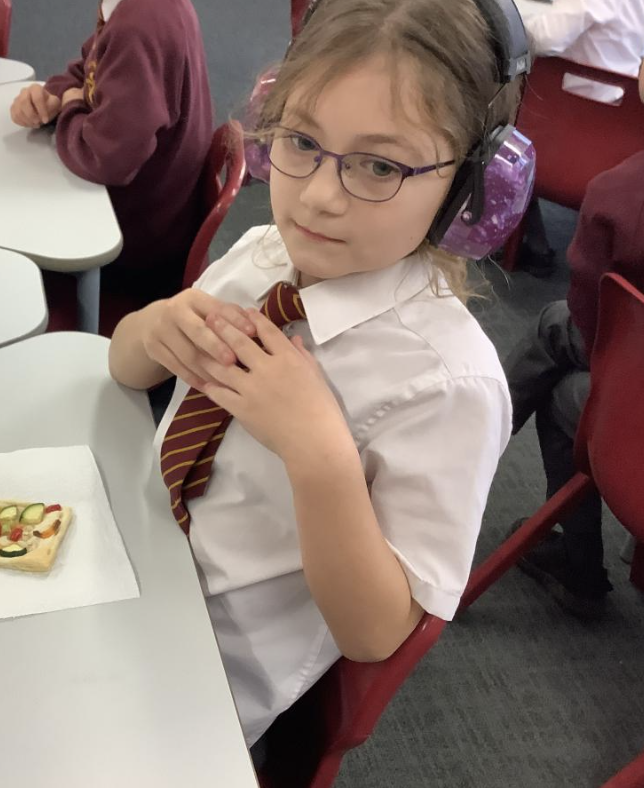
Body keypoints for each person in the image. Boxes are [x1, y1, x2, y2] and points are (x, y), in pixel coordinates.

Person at [108, 0, 518, 749]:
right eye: (301, 141)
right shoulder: (262, 254)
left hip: (198, 677)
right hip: (129, 554)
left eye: (380, 165)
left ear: (471, 188)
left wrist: (320, 455)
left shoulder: (450, 385)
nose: (321, 195)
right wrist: (152, 328)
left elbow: (377, 634)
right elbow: (125, 368)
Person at [503, 63, 644, 620]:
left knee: (566, 381)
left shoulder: (620, 194)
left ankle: (580, 565)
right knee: (557, 328)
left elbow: (595, 326)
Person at [9, 0, 214, 314]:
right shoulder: (128, 9)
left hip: (135, 252)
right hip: (152, 220)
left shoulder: (139, 23)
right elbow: (92, 66)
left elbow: (104, 158)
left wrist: (71, 108)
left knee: (5, 235)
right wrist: (54, 93)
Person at [516, 0, 643, 271]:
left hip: (563, 138)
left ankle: (521, 236)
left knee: (506, 114)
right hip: (620, 147)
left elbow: (542, 38)